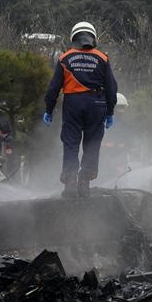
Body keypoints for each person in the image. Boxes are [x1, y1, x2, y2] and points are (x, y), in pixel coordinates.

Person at [43, 21, 118, 198]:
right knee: (92, 143)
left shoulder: (65, 58)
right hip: (97, 104)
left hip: (73, 103)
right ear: (93, 36)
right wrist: (110, 112)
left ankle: (70, 182)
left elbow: (53, 88)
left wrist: (49, 109)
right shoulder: (103, 58)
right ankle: (84, 182)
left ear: (73, 37)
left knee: (71, 143)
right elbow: (112, 87)